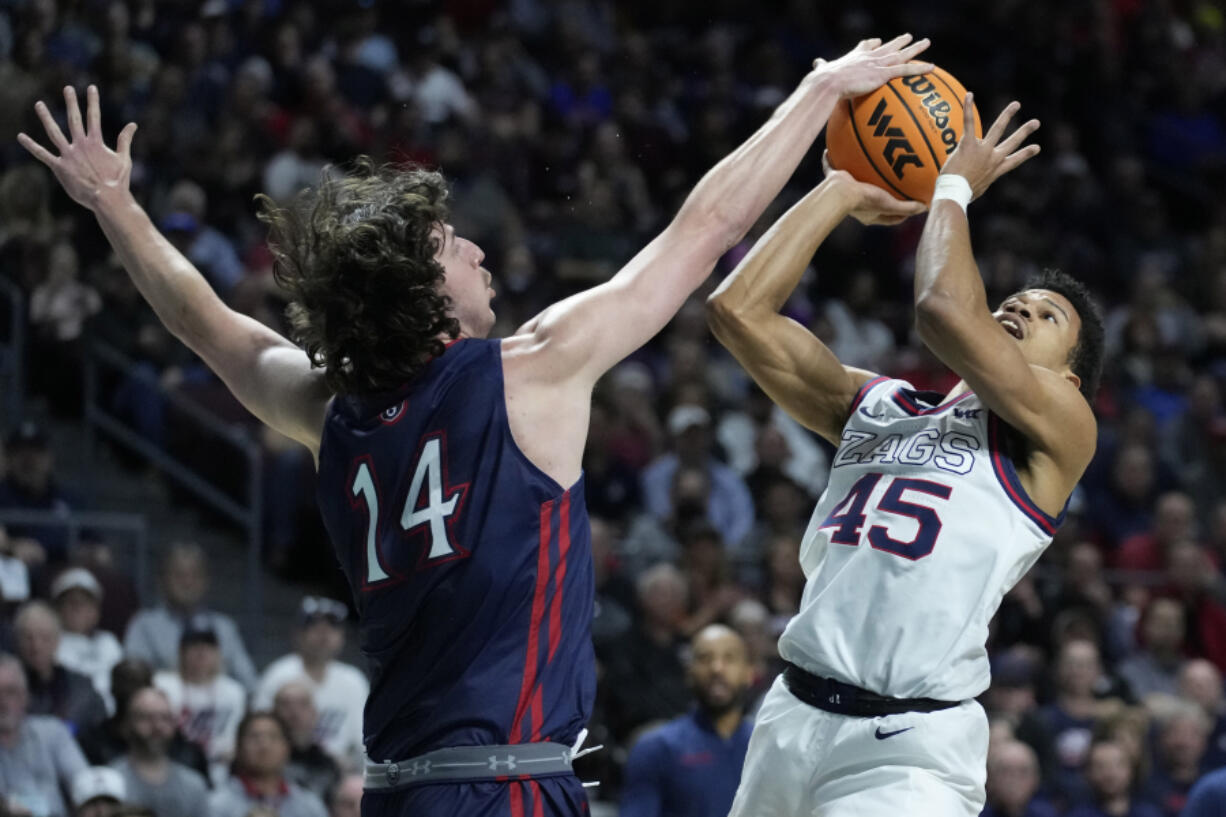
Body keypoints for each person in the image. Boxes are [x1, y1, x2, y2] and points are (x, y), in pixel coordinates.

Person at [17, 36, 935, 817]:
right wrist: (821, 90)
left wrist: (115, 205)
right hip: (509, 788)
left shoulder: (330, 411)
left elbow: (209, 326)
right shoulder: (529, 372)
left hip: (395, 789)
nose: (478, 248)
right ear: (423, 289)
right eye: (454, 245)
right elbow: (705, 230)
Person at [707, 95, 1104, 817]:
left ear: (1068, 376)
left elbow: (944, 310)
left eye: (1048, 317)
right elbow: (737, 311)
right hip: (790, 716)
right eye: (1014, 299)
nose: (1019, 308)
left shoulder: (1061, 429)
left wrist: (950, 187)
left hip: (908, 747)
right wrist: (841, 189)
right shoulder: (879, 407)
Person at [619, 625, 754, 817]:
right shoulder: (655, 747)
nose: (717, 668)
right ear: (689, 672)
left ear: (749, 673)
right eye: (705, 658)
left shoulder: (769, 746)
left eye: (729, 658)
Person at [123, 542, 257, 690]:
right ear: (162, 580)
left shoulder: (224, 627)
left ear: (206, 581)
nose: (187, 582)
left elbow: (248, 683)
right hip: (163, 708)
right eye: (179, 575)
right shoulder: (144, 625)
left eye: (195, 575)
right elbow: (133, 682)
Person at [254, 596, 366, 768]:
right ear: (298, 634)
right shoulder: (278, 675)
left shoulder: (354, 680)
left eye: (332, 627)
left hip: (340, 771)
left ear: (342, 636)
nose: (324, 634)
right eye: (315, 626)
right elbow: (259, 731)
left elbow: (362, 742)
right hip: (285, 766)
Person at [153, 623, 247, 785]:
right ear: (181, 652)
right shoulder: (162, 685)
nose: (201, 652)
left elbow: (234, 742)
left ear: (218, 653)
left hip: (223, 774)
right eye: (194, 646)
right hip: (174, 768)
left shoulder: (234, 692)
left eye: (208, 646)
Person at [0, 653, 88, 817]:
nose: (2, 702)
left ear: (24, 696)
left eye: (10, 692)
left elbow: (84, 784)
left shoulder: (53, 731)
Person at [109, 686, 210, 817]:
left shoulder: (194, 786)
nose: (157, 726)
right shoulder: (112, 782)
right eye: (146, 717)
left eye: (165, 718)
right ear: (128, 724)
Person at [207, 712, 328, 817]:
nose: (264, 746)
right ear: (238, 748)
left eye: (273, 737)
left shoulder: (309, 806)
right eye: (255, 738)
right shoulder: (216, 806)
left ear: (287, 748)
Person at [13, 600, 107, 734]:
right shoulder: (6, 688)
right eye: (28, 638)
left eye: (44, 638)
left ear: (57, 641)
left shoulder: (82, 689)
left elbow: (100, 734)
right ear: (17, 641)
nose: (36, 647)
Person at [51, 567, 123, 710]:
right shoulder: (50, 642)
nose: (77, 608)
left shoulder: (109, 643)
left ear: (96, 610)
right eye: (71, 602)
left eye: (84, 602)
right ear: (57, 608)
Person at [273, 679, 342, 801]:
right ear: (273, 712)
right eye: (285, 704)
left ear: (315, 713)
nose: (294, 712)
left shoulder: (328, 765)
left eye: (303, 704)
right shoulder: (261, 762)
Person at [1064, 739, 1162, 817]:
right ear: (1088, 774)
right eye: (1100, 767)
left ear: (1131, 770)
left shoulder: (1149, 813)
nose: (1110, 774)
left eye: (1118, 765)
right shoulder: (1078, 814)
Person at [981, 740, 1057, 817]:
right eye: (1005, 771)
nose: (1014, 780)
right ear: (990, 778)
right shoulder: (975, 813)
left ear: (1036, 779)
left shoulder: (1047, 813)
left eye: (1023, 772)